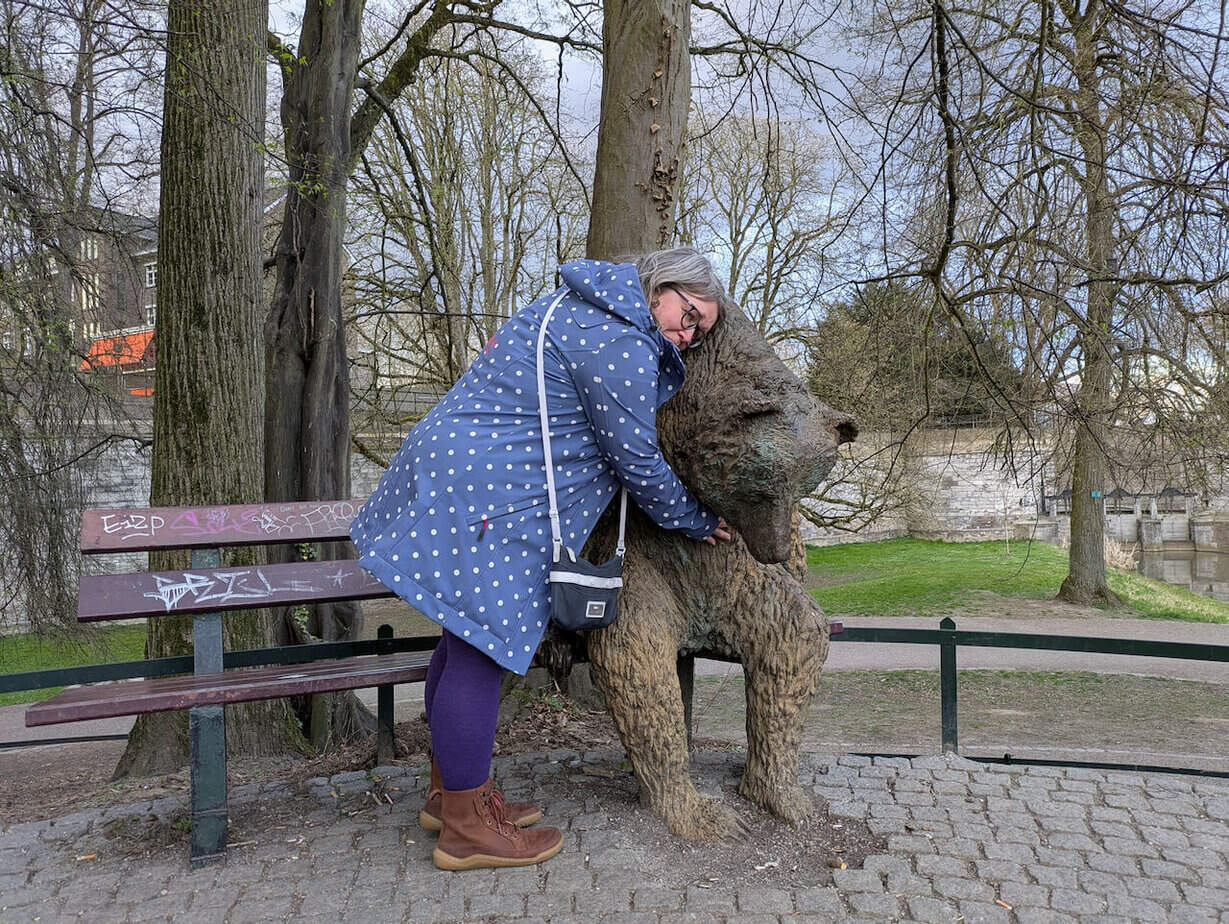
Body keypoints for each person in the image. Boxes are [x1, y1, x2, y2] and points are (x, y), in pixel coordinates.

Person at [350, 247, 734, 870]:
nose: (686, 335)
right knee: (483, 650)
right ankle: (468, 830)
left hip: (460, 472)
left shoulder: (572, 305)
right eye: (688, 314)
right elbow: (635, 459)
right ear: (660, 287)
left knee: (458, 642)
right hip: (495, 497)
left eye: (698, 331)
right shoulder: (622, 342)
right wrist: (694, 518)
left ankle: (451, 796)